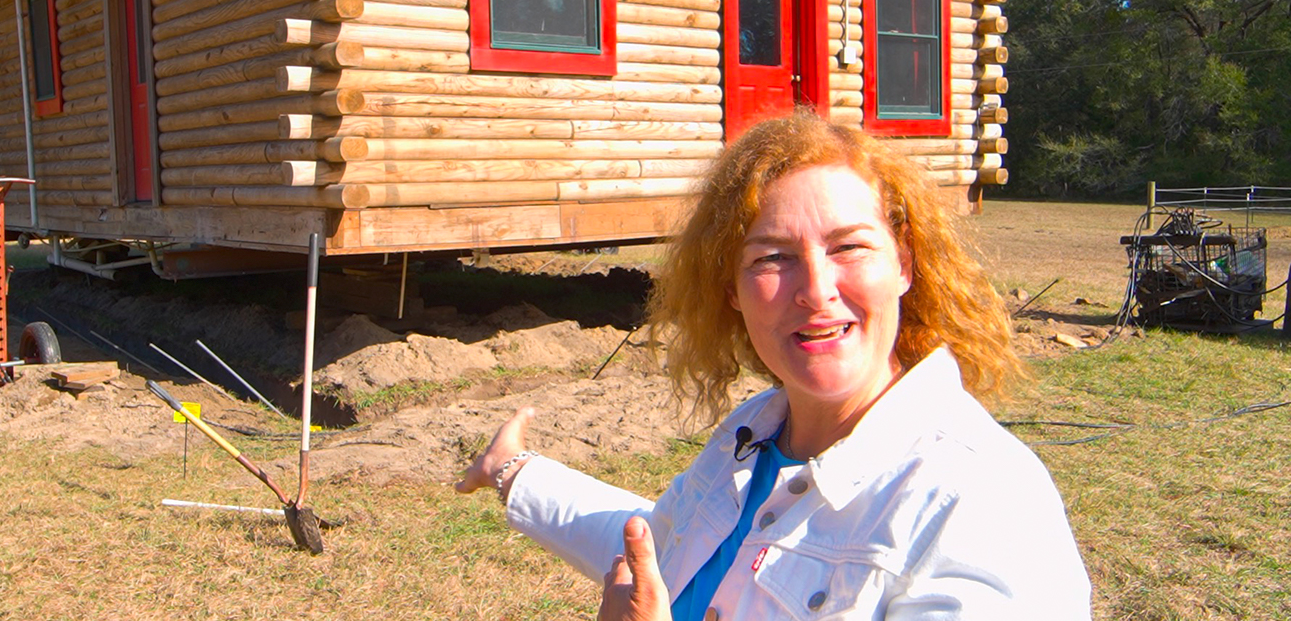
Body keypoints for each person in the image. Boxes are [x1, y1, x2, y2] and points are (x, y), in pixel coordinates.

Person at [457, 112, 1090, 619]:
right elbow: (658, 542)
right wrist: (515, 472)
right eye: (772, 257)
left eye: (850, 247)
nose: (815, 290)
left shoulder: (980, 504)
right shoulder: (756, 436)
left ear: (905, 266)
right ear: (730, 289)